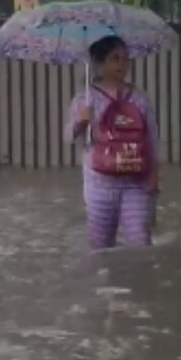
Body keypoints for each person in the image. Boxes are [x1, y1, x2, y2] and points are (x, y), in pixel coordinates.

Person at [67, 36, 159, 249]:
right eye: (115, 58)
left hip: (136, 182)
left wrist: (154, 176)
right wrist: (80, 122)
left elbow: (152, 138)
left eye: (126, 59)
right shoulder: (85, 98)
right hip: (99, 183)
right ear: (101, 62)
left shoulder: (139, 97)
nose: (122, 64)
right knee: (100, 248)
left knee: (140, 243)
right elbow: (68, 137)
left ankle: (137, 282)